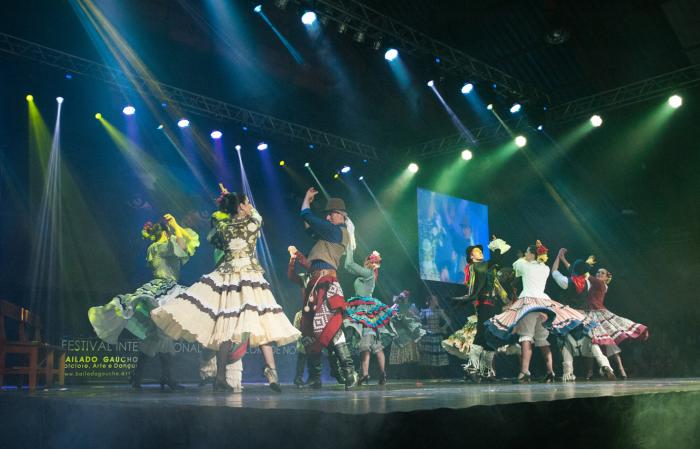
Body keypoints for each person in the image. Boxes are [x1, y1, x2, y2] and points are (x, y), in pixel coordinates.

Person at [151, 190, 300, 392]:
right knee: (261, 320)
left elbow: (215, 236)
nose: (249, 206)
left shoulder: (222, 227)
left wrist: (230, 202)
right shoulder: (253, 223)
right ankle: (271, 370)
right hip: (249, 277)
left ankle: (220, 376)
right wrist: (233, 198)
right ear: (241, 206)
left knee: (226, 326)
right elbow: (256, 215)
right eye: (246, 203)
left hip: (228, 276)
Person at [88, 214, 199, 390]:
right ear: (165, 231)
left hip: (160, 288)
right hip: (165, 291)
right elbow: (183, 246)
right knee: (163, 332)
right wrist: (176, 226)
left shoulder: (155, 247)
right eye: (169, 230)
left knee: (157, 335)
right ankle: (162, 377)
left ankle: (142, 377)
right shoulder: (162, 246)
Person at [485, 241, 590, 383]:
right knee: (542, 339)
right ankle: (550, 372)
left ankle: (524, 372)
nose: (525, 254)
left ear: (533, 254)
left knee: (526, 336)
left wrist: (519, 256)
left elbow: (516, 266)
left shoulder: (524, 264)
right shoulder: (545, 268)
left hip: (528, 302)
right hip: (543, 304)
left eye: (527, 252)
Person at [299, 187, 359, 390]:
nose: (327, 216)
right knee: (309, 329)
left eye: (330, 213)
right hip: (315, 284)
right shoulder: (329, 233)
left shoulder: (336, 231)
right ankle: (315, 377)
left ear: (341, 216)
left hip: (326, 283)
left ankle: (350, 372)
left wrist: (306, 200)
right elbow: (309, 228)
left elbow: (307, 216)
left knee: (332, 328)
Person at [558, 252, 648, 379]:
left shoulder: (600, 284)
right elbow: (577, 274)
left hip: (599, 314)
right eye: (598, 272)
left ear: (606, 278)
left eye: (602, 273)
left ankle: (621, 370)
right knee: (591, 342)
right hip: (588, 314)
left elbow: (579, 271)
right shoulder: (590, 283)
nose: (599, 274)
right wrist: (564, 260)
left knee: (607, 343)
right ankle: (591, 372)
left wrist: (567, 261)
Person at [446, 237, 511, 382]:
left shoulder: (486, 267)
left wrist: (507, 300)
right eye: (477, 251)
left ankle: (486, 370)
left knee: (489, 336)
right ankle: (472, 367)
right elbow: (472, 285)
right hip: (482, 302)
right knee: (482, 333)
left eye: (481, 251)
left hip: (492, 304)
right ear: (471, 256)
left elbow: (496, 285)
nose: (480, 252)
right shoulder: (473, 267)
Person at [551, 249, 616, 381]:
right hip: (584, 316)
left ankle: (568, 372)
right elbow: (579, 272)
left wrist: (558, 257)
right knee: (592, 342)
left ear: (573, 270)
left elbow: (554, 272)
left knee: (565, 342)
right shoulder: (587, 282)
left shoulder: (565, 281)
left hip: (569, 316)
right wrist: (565, 260)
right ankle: (605, 365)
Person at [342, 246, 396, 385]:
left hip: (365, 310)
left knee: (367, 344)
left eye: (367, 261)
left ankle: (369, 373)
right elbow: (350, 268)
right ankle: (377, 374)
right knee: (373, 345)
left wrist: (349, 250)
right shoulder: (368, 274)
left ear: (371, 263)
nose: (365, 263)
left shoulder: (368, 273)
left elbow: (350, 265)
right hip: (365, 309)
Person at [388, 291, 425, 377]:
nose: (402, 298)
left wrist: (412, 315)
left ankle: (410, 375)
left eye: (403, 297)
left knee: (410, 356)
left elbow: (420, 319)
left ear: (407, 297)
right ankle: (399, 375)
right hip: (399, 333)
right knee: (399, 356)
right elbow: (388, 314)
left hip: (409, 334)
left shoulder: (412, 306)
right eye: (400, 297)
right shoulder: (396, 306)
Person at [418, 295, 451, 377]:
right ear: (430, 301)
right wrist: (424, 327)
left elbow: (448, 321)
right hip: (428, 335)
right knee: (428, 356)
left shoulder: (439, 311)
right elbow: (418, 322)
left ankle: (438, 375)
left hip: (437, 334)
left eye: (436, 299)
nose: (436, 301)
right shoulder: (424, 311)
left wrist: (443, 328)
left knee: (437, 355)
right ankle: (428, 375)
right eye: (434, 300)